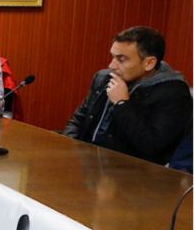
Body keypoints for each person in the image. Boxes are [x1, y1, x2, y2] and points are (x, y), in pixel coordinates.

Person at [63, 26, 192, 165]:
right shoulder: (104, 78)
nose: (111, 65)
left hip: (131, 171)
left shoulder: (173, 93)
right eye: (113, 57)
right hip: (88, 162)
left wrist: (122, 104)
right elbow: (79, 120)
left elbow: (153, 148)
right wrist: (68, 150)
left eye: (122, 59)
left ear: (149, 63)